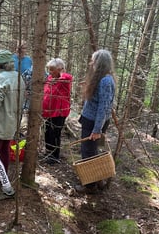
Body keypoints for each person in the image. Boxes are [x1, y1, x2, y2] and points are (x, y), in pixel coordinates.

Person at [0, 49, 25, 198]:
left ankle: (7, 187)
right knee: (4, 150)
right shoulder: (18, 76)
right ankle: (2, 178)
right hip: (13, 120)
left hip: (0, 122)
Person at [79, 49, 116, 192]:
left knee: (88, 152)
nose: (91, 63)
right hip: (90, 120)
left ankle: (90, 186)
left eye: (93, 61)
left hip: (94, 123)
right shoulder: (100, 79)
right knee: (90, 150)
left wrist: (97, 130)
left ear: (100, 63)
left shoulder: (106, 80)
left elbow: (104, 106)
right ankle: (96, 180)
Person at [42, 58, 72, 165]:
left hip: (59, 112)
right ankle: (48, 152)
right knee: (47, 131)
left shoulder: (64, 79)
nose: (50, 72)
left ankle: (55, 156)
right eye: (49, 69)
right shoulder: (50, 77)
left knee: (55, 133)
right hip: (49, 111)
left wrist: (59, 77)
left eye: (52, 69)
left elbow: (67, 77)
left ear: (59, 69)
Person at [12, 40, 33, 112]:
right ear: (16, 48)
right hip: (12, 89)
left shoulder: (29, 60)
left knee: (23, 112)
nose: (20, 50)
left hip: (25, 91)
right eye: (19, 48)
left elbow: (32, 74)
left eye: (23, 48)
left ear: (26, 49)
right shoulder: (11, 59)